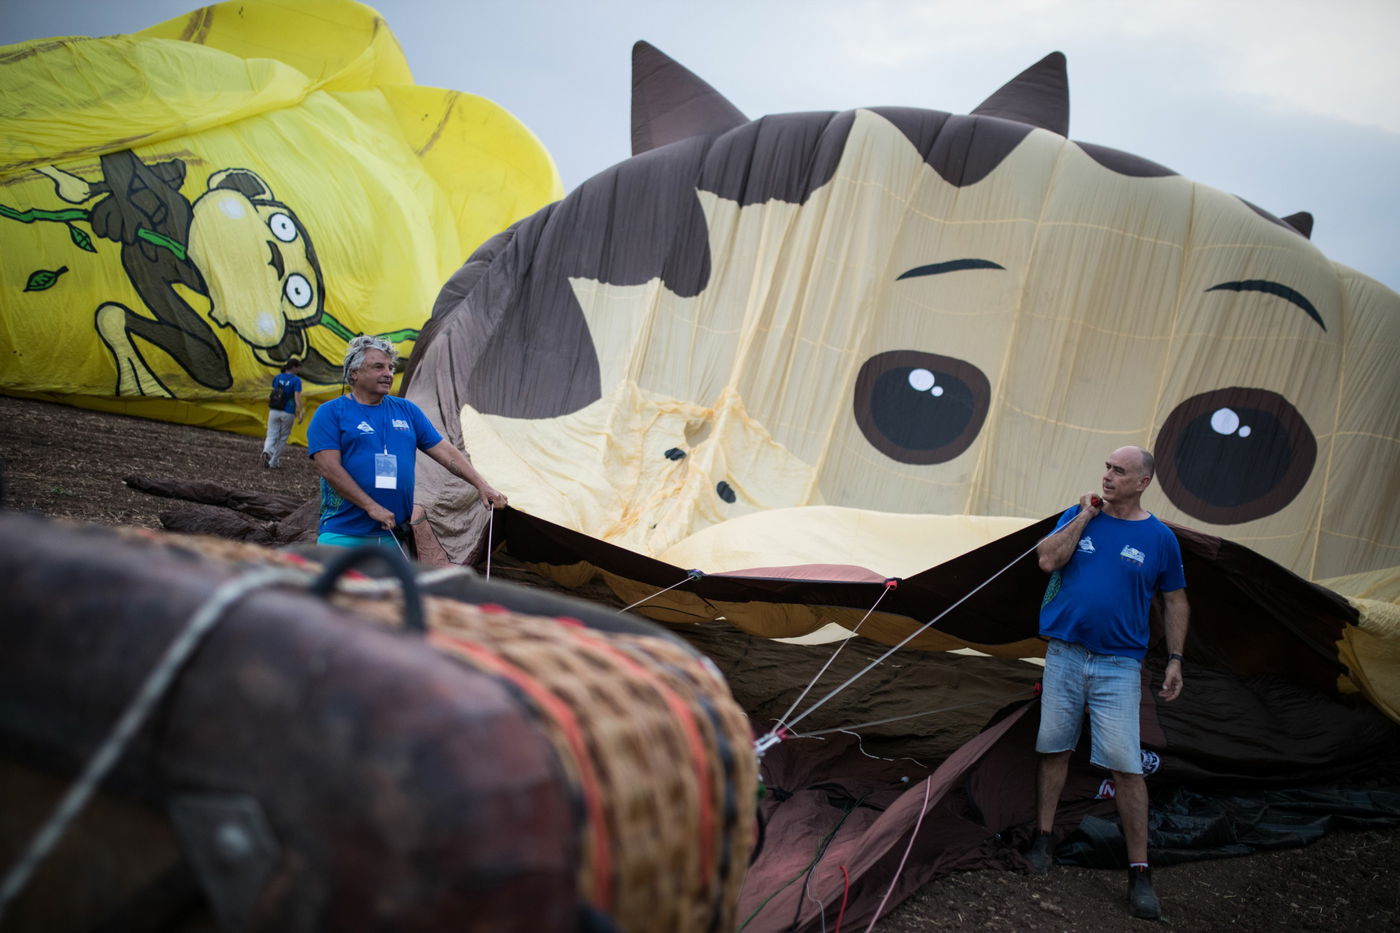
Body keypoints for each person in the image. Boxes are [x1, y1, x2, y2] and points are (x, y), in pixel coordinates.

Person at [1025, 446, 1189, 921]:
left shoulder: (1160, 539)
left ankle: (1140, 873)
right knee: (1054, 747)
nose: (1108, 476)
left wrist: (1176, 658)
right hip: (1065, 655)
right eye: (1106, 468)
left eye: (1120, 471)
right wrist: (1083, 517)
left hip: (1119, 666)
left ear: (1142, 482)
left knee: (1126, 767)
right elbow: (1047, 561)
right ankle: (1043, 841)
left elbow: (1175, 601)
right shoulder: (1080, 516)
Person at [307, 335, 507, 550]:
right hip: (342, 534)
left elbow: (444, 450)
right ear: (354, 373)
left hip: (390, 536)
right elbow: (328, 468)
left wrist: (481, 485)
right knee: (336, 585)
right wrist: (371, 506)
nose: (388, 374)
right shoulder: (330, 413)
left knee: (391, 586)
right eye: (378, 367)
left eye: (390, 368)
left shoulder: (407, 410)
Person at [262, 359, 304, 469]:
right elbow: (296, 397)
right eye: (298, 367)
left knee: (271, 434)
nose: (299, 369)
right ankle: (273, 461)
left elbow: (275, 392)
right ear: (294, 367)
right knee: (282, 437)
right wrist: (300, 412)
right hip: (288, 411)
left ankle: (267, 450)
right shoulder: (296, 380)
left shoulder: (278, 377)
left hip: (274, 409)